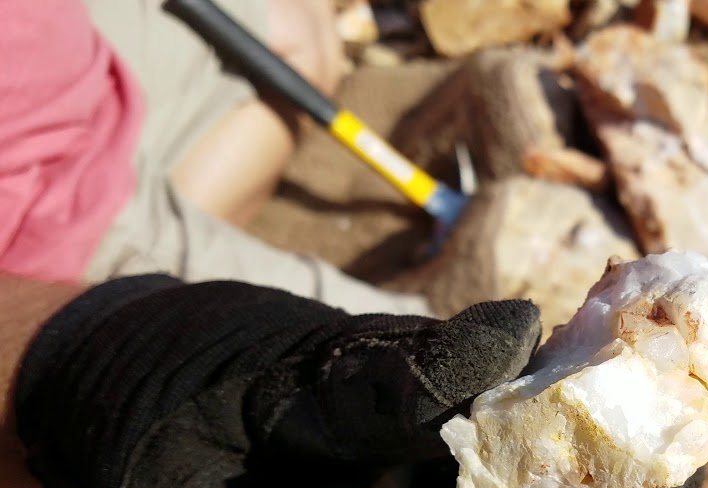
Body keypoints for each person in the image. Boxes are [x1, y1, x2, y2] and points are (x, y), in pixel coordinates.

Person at [0, 2, 708, 488]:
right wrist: (79, 352)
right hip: (30, 249)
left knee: (301, 36)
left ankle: (158, 232)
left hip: (71, 80)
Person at [1, 0, 428, 316]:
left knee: (303, 29)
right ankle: (159, 283)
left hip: (74, 57)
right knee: (418, 358)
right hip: (53, 222)